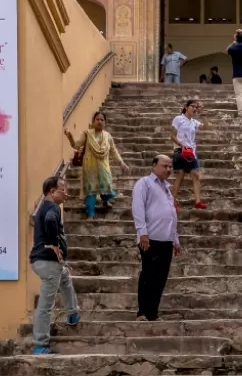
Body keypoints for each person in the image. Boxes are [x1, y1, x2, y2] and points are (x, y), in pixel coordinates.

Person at [29, 174, 80, 354]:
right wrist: (55, 245)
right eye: (63, 190)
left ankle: (72, 313)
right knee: (45, 305)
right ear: (52, 191)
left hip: (42, 261)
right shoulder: (52, 208)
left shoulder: (44, 206)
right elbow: (51, 222)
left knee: (65, 277)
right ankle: (40, 344)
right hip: (47, 262)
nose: (66, 194)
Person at [132, 153, 181, 320]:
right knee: (149, 275)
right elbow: (138, 208)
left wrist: (176, 239)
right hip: (150, 238)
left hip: (166, 239)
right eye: (164, 166)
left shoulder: (167, 188)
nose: (168, 169)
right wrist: (142, 232)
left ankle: (153, 312)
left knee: (161, 277)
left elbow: (171, 214)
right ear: (154, 166)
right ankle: (142, 312)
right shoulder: (144, 183)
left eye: (170, 167)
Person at [66, 110, 127, 218]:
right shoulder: (87, 134)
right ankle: (90, 213)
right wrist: (70, 137)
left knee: (106, 186)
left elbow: (113, 151)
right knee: (91, 190)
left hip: (103, 167)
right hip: (90, 167)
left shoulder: (108, 136)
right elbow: (76, 146)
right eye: (97, 119)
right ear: (93, 122)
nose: (99, 121)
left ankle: (105, 201)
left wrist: (121, 162)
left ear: (105, 122)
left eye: (102, 120)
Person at [171, 97, 207, 210]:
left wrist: (204, 114)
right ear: (186, 107)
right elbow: (172, 135)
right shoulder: (178, 119)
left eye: (196, 107)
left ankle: (198, 201)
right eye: (192, 106)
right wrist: (182, 145)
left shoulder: (194, 122)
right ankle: (172, 202)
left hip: (191, 152)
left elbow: (205, 127)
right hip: (180, 150)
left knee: (196, 175)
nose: (194, 109)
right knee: (180, 176)